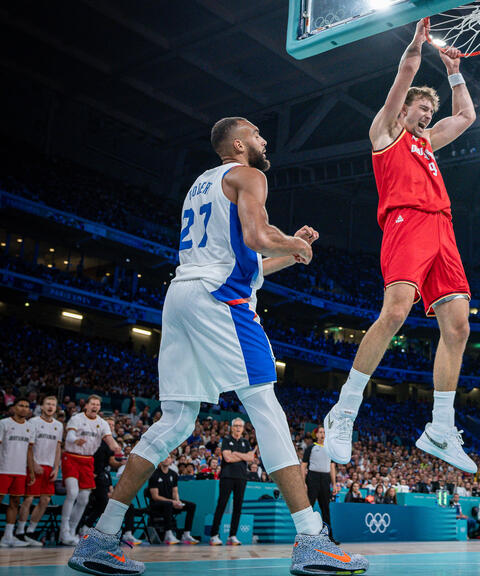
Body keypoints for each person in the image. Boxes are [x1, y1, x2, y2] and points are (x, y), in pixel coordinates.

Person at [68, 116, 367, 576]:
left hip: (182, 296)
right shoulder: (250, 174)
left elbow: (247, 264)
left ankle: (101, 537)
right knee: (265, 405)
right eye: (260, 135)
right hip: (217, 299)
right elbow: (255, 238)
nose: (267, 142)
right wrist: (290, 241)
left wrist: (291, 251)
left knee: (176, 419)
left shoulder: (201, 185)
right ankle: (311, 538)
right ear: (242, 143)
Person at [323, 18, 478, 474]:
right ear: (403, 111)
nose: (427, 113)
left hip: (442, 229)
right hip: (405, 222)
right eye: (421, 108)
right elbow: (405, 75)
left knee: (459, 327)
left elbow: (467, 117)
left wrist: (454, 71)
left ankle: (441, 427)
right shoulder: (386, 134)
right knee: (395, 312)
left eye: (431, 109)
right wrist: (416, 45)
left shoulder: (428, 142)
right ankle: (345, 410)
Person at [61, 395, 122, 545]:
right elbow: (69, 435)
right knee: (73, 493)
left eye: (97, 404)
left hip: (88, 461)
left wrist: (115, 446)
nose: (95, 406)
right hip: (72, 457)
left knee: (83, 499)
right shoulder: (76, 419)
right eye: (92, 404)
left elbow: (109, 438)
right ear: (86, 406)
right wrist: (75, 440)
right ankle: (64, 531)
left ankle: (73, 531)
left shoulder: (102, 423)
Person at [16, 395, 62, 546]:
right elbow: (28, 446)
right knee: (28, 498)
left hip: (49, 467)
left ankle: (31, 531)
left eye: (53, 405)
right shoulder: (32, 422)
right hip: (34, 465)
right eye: (48, 404)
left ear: (55, 408)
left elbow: (57, 448)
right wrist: (33, 464)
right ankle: (20, 532)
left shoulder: (59, 425)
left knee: (45, 500)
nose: (50, 407)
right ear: (41, 406)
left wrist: (56, 467)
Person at [210, 418, 254, 546]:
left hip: (241, 477)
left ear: (243, 428)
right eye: (236, 426)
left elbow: (251, 458)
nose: (238, 428)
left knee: (238, 507)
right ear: (232, 427)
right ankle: (214, 535)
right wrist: (242, 456)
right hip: (227, 476)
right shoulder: (226, 440)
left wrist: (236, 453)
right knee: (222, 505)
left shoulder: (246, 442)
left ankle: (232, 536)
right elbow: (227, 458)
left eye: (240, 426)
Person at [0, 398, 33, 548]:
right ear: (14, 408)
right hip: (3, 468)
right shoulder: (4, 423)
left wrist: (31, 471)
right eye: (21, 406)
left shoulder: (30, 427)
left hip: (20, 471)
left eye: (26, 406)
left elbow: (29, 451)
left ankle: (7, 537)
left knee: (14, 503)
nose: (24, 409)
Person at [147, 456, 198, 545]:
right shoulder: (154, 474)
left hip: (170, 502)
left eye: (168, 458)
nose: (166, 459)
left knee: (191, 505)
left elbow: (175, 492)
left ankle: (186, 534)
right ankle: (168, 534)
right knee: (168, 504)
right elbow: (155, 496)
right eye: (164, 457)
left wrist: (178, 501)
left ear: (171, 460)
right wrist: (172, 502)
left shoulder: (173, 474)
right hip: (156, 505)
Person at [302, 427, 337, 537]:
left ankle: (329, 537)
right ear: (316, 435)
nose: (322, 434)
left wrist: (334, 484)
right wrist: (303, 482)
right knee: (310, 507)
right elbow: (303, 466)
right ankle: (305, 536)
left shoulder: (330, 449)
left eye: (324, 432)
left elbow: (332, 467)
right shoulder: (311, 448)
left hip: (325, 478)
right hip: (313, 477)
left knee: (325, 508)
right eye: (320, 432)